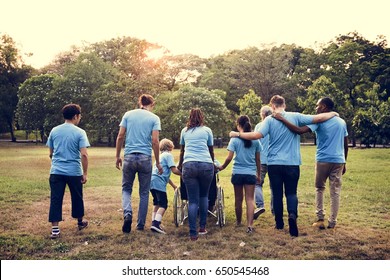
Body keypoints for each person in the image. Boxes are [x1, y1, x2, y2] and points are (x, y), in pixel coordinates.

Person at [229, 95, 338, 237]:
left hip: (274, 163)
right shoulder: (296, 116)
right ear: (284, 105)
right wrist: (333, 113)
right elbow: (318, 118)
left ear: (272, 106)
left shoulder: (269, 120)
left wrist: (237, 134)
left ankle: (279, 223)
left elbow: (256, 135)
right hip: (292, 163)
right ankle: (292, 216)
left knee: (277, 194)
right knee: (291, 193)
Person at [273, 97, 348, 229]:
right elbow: (345, 143)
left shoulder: (319, 121)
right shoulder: (342, 122)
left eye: (317, 105)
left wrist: (282, 119)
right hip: (339, 160)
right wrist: (344, 162)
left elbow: (299, 130)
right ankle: (332, 222)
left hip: (323, 160)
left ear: (324, 107)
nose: (316, 108)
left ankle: (320, 218)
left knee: (320, 188)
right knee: (335, 191)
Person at [116, 94, 163, 233]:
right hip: (145, 158)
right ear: (152, 104)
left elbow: (120, 136)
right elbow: (155, 141)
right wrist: (158, 162)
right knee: (144, 192)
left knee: (126, 188)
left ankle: (127, 213)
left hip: (129, 156)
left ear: (140, 102)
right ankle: (140, 225)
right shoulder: (154, 118)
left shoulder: (128, 115)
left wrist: (118, 156)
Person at [47, 104, 90, 239]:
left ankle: (55, 229)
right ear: (75, 116)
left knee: (56, 198)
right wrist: (85, 173)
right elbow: (84, 154)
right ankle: (80, 222)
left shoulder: (54, 130)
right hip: (74, 171)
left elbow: (51, 153)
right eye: (79, 116)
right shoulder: (80, 132)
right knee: (77, 197)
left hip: (56, 171)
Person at [219, 116, 261, 233]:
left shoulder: (234, 140)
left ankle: (238, 222)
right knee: (250, 199)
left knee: (238, 199)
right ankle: (250, 225)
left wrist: (222, 167)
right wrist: (258, 173)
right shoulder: (255, 140)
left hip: (237, 172)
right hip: (250, 173)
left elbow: (229, 158)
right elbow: (258, 160)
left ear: (239, 125)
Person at [177, 108, 215, 241]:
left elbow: (182, 151)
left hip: (189, 165)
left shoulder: (184, 131)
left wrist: (180, 165)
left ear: (190, 117)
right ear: (202, 117)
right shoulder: (207, 130)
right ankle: (202, 227)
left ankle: (193, 233)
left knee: (192, 200)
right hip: (206, 165)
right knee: (204, 196)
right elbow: (211, 150)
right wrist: (213, 163)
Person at [150, 138, 181, 234]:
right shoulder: (168, 155)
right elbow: (174, 170)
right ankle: (156, 223)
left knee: (157, 203)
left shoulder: (160, 157)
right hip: (159, 182)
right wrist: (185, 174)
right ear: (170, 147)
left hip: (152, 181)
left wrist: (174, 186)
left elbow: (166, 176)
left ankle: (154, 222)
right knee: (164, 204)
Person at [254, 105, 273, 220]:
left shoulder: (259, 126)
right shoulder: (276, 126)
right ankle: (274, 209)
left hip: (261, 159)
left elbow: (255, 142)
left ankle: (260, 205)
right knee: (274, 186)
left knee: (257, 183)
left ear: (263, 114)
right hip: (274, 160)